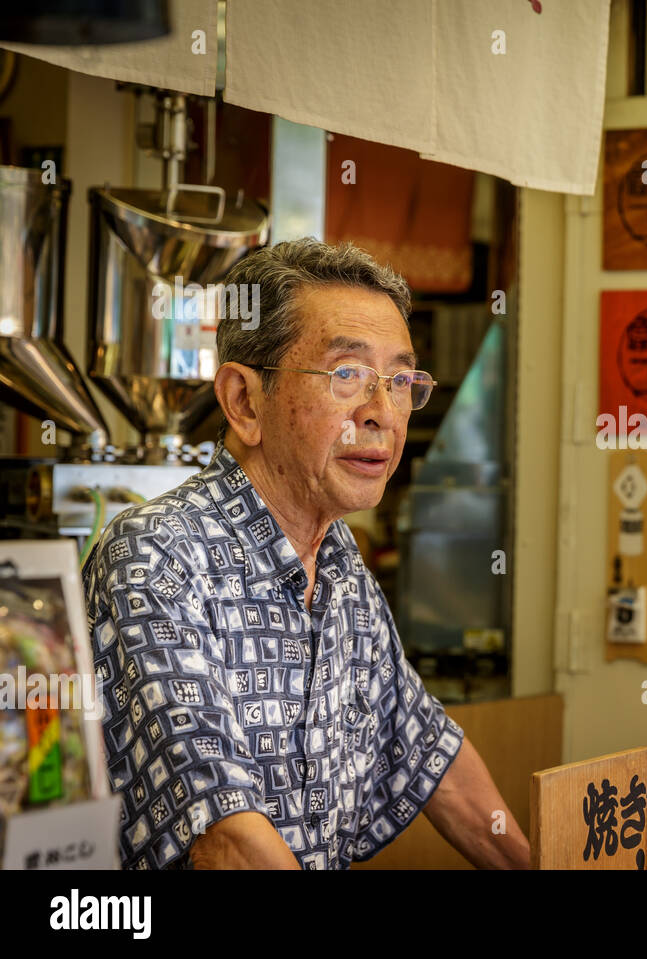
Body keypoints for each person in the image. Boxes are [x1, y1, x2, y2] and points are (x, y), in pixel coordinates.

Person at [82, 238, 529, 870]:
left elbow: (430, 754)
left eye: (400, 381)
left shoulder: (340, 561)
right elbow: (226, 839)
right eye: (347, 374)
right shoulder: (156, 559)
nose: (382, 414)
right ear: (244, 401)